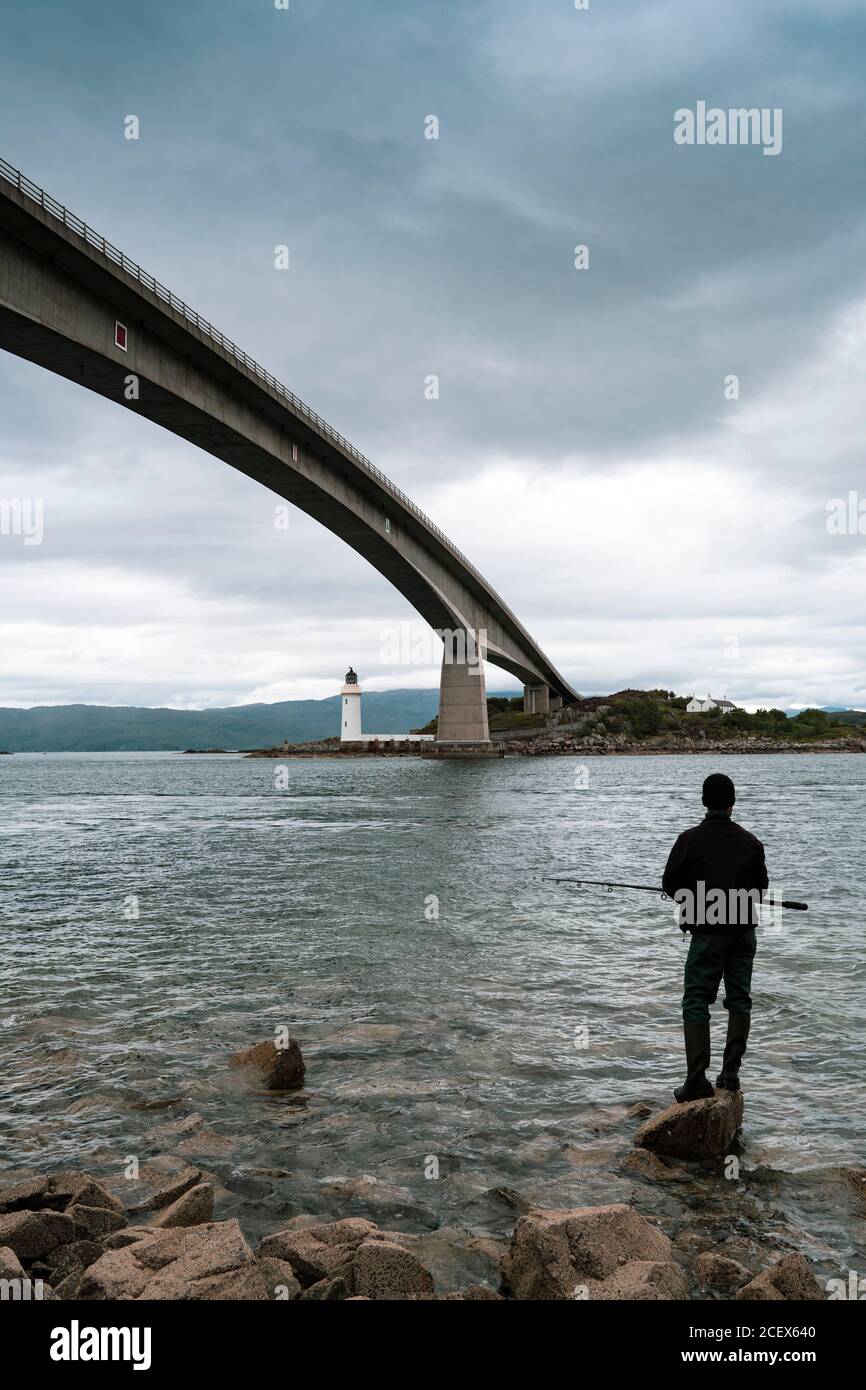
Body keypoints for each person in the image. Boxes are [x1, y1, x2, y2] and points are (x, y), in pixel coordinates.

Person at [662, 773, 769, 1102]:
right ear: (732, 803)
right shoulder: (751, 842)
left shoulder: (689, 839)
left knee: (696, 1001)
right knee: (739, 1000)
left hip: (708, 932)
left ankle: (697, 1080)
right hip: (743, 932)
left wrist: (693, 899)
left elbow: (670, 884)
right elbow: (760, 890)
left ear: (705, 802)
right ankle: (731, 1075)